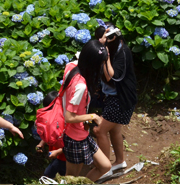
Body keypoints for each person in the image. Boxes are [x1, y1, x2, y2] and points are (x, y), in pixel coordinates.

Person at [62, 39, 112, 181]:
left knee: (105, 166)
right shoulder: (81, 87)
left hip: (82, 133)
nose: (102, 66)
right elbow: (69, 117)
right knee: (70, 179)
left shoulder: (72, 66)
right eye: (101, 63)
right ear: (93, 64)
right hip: (74, 137)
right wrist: (92, 116)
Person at [94, 25, 137, 178]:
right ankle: (119, 162)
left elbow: (111, 77)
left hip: (121, 99)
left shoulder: (122, 52)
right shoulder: (112, 48)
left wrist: (105, 56)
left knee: (99, 131)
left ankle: (105, 168)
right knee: (114, 130)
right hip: (111, 96)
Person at [36, 91, 67, 179]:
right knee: (63, 174)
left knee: (47, 175)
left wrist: (57, 152)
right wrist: (41, 143)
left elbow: (70, 144)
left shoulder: (65, 123)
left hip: (64, 157)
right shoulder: (51, 121)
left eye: (49, 109)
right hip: (56, 155)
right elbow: (48, 133)